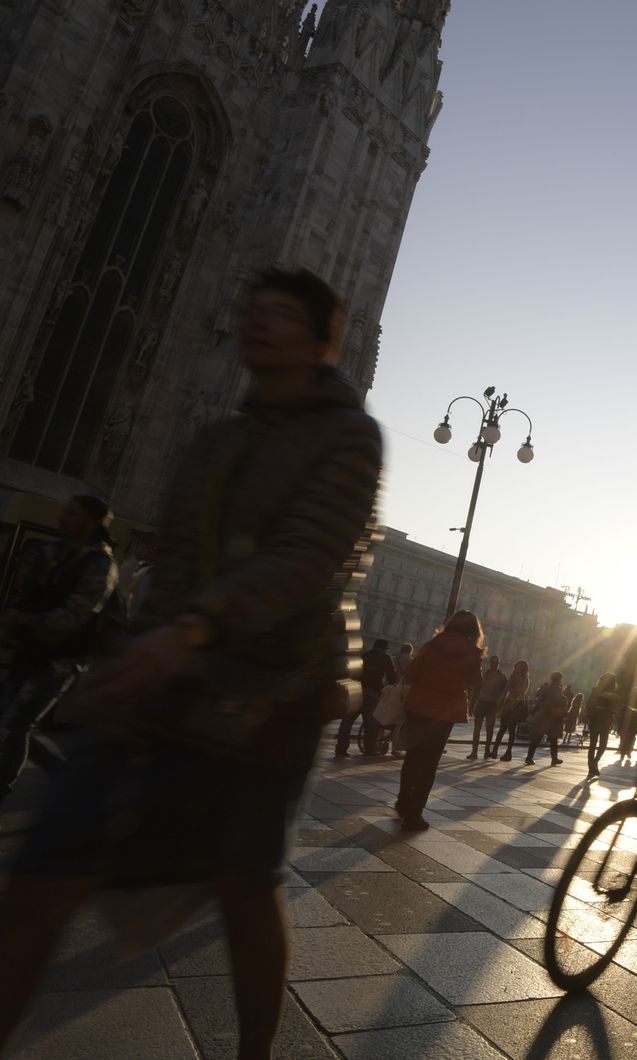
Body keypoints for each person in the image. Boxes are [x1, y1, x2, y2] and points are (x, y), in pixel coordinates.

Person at [0, 268, 381, 1060]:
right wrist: (141, 646)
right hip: (166, 677)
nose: (257, 323)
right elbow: (171, 560)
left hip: (274, 690)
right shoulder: (217, 436)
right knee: (47, 870)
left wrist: (197, 630)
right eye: (251, 311)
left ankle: (252, 1053)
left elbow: (307, 555)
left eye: (280, 315)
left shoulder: (351, 437)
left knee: (246, 881)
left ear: (323, 342)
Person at [0, 495, 121, 806]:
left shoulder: (101, 565)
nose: (62, 518)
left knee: (17, 722)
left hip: (61, 660)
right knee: (13, 721)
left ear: (91, 522)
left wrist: (28, 619)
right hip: (32, 650)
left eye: (72, 513)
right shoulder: (54, 552)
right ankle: (66, 777)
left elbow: (77, 614)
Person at [396, 612, 483, 830]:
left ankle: (403, 801)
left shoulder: (432, 645)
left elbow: (412, 673)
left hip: (419, 706)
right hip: (445, 713)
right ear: (474, 630)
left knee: (413, 756)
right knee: (429, 763)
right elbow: (475, 682)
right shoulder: (472, 652)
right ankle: (414, 815)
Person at [334, 638, 394, 757]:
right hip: (372, 693)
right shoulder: (386, 658)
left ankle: (341, 748)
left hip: (356, 691)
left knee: (347, 722)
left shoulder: (364, 655)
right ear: (384, 648)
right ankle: (369, 749)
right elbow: (391, 676)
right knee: (371, 722)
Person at [524, 670, 569, 765]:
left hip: (544, 715)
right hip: (551, 716)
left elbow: (539, 698)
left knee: (540, 737)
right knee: (551, 739)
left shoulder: (547, 688)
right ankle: (552, 758)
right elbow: (557, 701)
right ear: (559, 679)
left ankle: (531, 757)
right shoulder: (556, 689)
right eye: (560, 679)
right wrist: (564, 699)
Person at [467, 656, 507, 760]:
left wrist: (499, 707)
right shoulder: (488, 674)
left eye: (496, 662)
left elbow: (503, 694)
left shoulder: (500, 676)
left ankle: (481, 752)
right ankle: (477, 752)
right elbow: (477, 689)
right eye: (493, 662)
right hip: (484, 703)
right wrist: (472, 705)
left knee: (486, 730)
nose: (495, 664)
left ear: (498, 663)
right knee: (481, 729)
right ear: (491, 663)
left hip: (490, 705)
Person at [489, 659, 530, 761]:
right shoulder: (511, 678)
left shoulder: (525, 679)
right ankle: (494, 751)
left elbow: (521, 694)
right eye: (516, 667)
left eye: (518, 667)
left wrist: (513, 702)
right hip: (508, 704)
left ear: (523, 669)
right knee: (502, 729)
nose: (516, 669)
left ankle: (508, 753)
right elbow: (505, 690)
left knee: (512, 731)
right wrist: (498, 703)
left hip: (516, 706)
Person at [584, 672, 619, 778]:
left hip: (595, 719)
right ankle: (594, 763)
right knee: (603, 744)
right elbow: (614, 709)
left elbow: (589, 703)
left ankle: (592, 766)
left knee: (592, 744)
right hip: (605, 720)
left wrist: (588, 715)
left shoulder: (596, 690)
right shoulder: (612, 693)